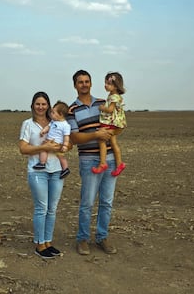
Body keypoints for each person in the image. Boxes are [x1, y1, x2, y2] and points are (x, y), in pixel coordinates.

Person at [67, 70, 118, 255]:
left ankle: (102, 237)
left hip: (110, 158)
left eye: (87, 81)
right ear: (75, 85)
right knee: (87, 202)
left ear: (91, 83)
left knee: (106, 202)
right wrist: (96, 135)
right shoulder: (72, 110)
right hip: (88, 160)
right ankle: (82, 239)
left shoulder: (102, 104)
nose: (84, 84)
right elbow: (74, 137)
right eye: (80, 82)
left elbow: (114, 122)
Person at [18, 91, 66, 259]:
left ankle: (48, 242)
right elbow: (23, 148)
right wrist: (44, 148)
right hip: (37, 171)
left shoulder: (56, 122)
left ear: (49, 106)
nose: (40, 107)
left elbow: (68, 143)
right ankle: (39, 245)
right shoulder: (27, 124)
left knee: (52, 209)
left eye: (44, 104)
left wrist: (61, 148)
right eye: (37, 104)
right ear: (32, 106)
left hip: (56, 170)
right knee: (42, 208)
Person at [92, 72, 127, 176]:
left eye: (108, 83)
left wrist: (103, 108)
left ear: (115, 86)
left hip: (111, 123)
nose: (105, 85)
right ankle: (119, 164)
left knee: (101, 140)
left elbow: (110, 110)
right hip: (116, 123)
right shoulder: (115, 95)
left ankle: (103, 163)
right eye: (105, 83)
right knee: (113, 143)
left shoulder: (113, 97)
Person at [33, 100, 71, 179]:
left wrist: (65, 145)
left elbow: (66, 136)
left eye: (53, 112)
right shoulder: (53, 121)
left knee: (46, 150)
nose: (51, 114)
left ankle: (43, 163)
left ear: (60, 114)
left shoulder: (65, 125)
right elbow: (48, 127)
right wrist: (43, 131)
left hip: (56, 143)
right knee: (57, 155)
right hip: (51, 141)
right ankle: (64, 168)